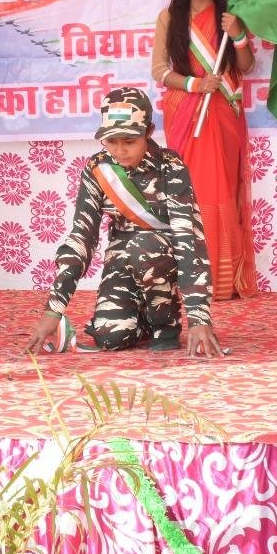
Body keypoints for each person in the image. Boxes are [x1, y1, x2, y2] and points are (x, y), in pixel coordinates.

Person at [23, 87, 223, 359]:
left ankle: (164, 322)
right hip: (121, 258)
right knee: (110, 336)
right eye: (111, 141)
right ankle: (142, 320)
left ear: (148, 132)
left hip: (163, 256)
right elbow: (82, 236)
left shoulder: (171, 166)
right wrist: (53, 309)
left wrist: (199, 317)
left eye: (129, 141)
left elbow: (188, 237)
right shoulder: (98, 169)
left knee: (144, 246)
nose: (120, 150)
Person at [150, 0, 257, 301]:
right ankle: (190, 280)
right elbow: (159, 71)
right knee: (188, 191)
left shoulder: (230, 16)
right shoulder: (169, 18)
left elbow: (245, 66)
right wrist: (196, 85)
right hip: (185, 114)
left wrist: (238, 34)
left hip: (222, 114)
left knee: (219, 189)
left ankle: (221, 281)